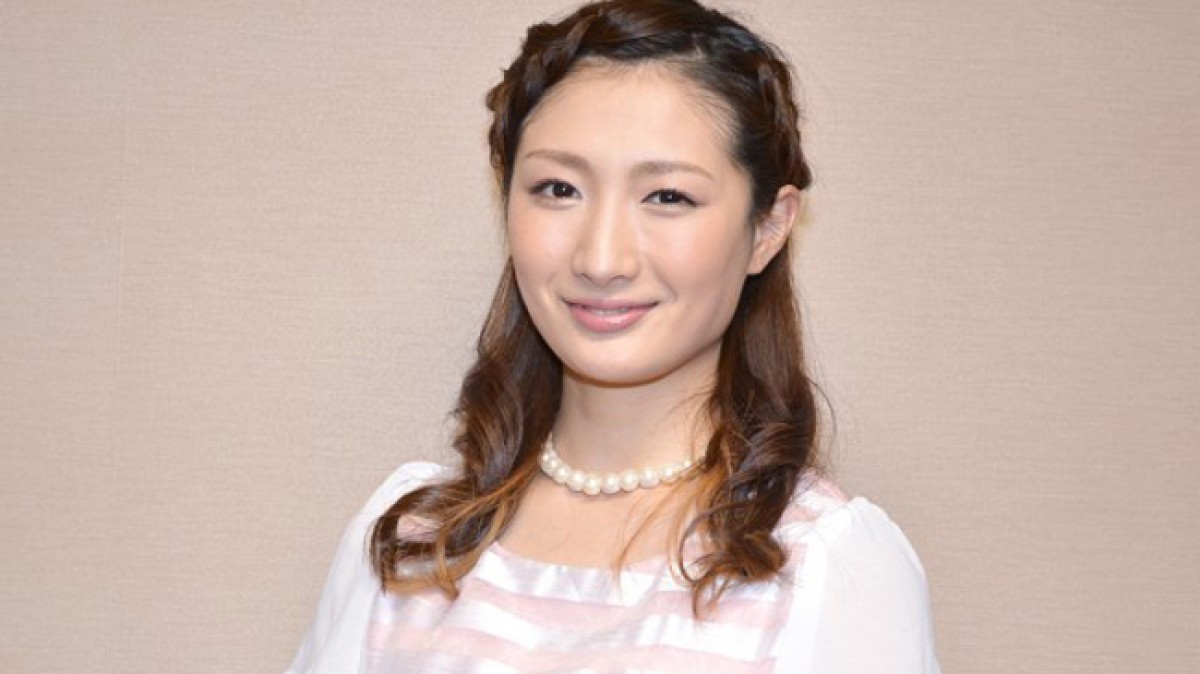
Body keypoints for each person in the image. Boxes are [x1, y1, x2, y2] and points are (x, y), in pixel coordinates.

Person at [287, 0, 941, 671]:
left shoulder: (825, 564)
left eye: (668, 197)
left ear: (768, 228)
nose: (601, 260)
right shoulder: (409, 543)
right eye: (558, 189)